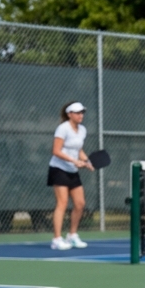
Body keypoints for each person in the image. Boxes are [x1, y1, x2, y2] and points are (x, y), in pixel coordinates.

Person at [47, 101, 94, 250]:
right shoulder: (63, 129)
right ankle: (56, 239)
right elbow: (56, 150)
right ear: (70, 114)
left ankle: (72, 236)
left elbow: (78, 149)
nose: (81, 115)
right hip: (59, 169)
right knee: (62, 203)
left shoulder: (82, 130)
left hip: (72, 170)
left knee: (80, 204)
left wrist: (86, 161)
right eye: (78, 112)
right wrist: (75, 161)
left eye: (82, 113)